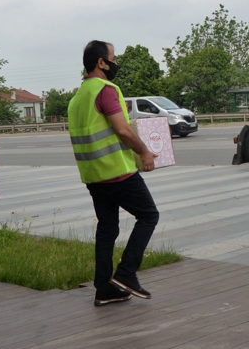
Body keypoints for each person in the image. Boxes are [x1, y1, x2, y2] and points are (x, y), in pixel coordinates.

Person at [68, 40, 160, 307]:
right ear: (101, 62)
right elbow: (122, 130)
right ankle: (126, 273)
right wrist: (144, 152)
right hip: (117, 172)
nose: (116, 62)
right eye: (114, 57)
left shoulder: (77, 97)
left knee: (107, 228)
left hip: (93, 175)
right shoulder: (106, 89)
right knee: (149, 215)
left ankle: (104, 288)